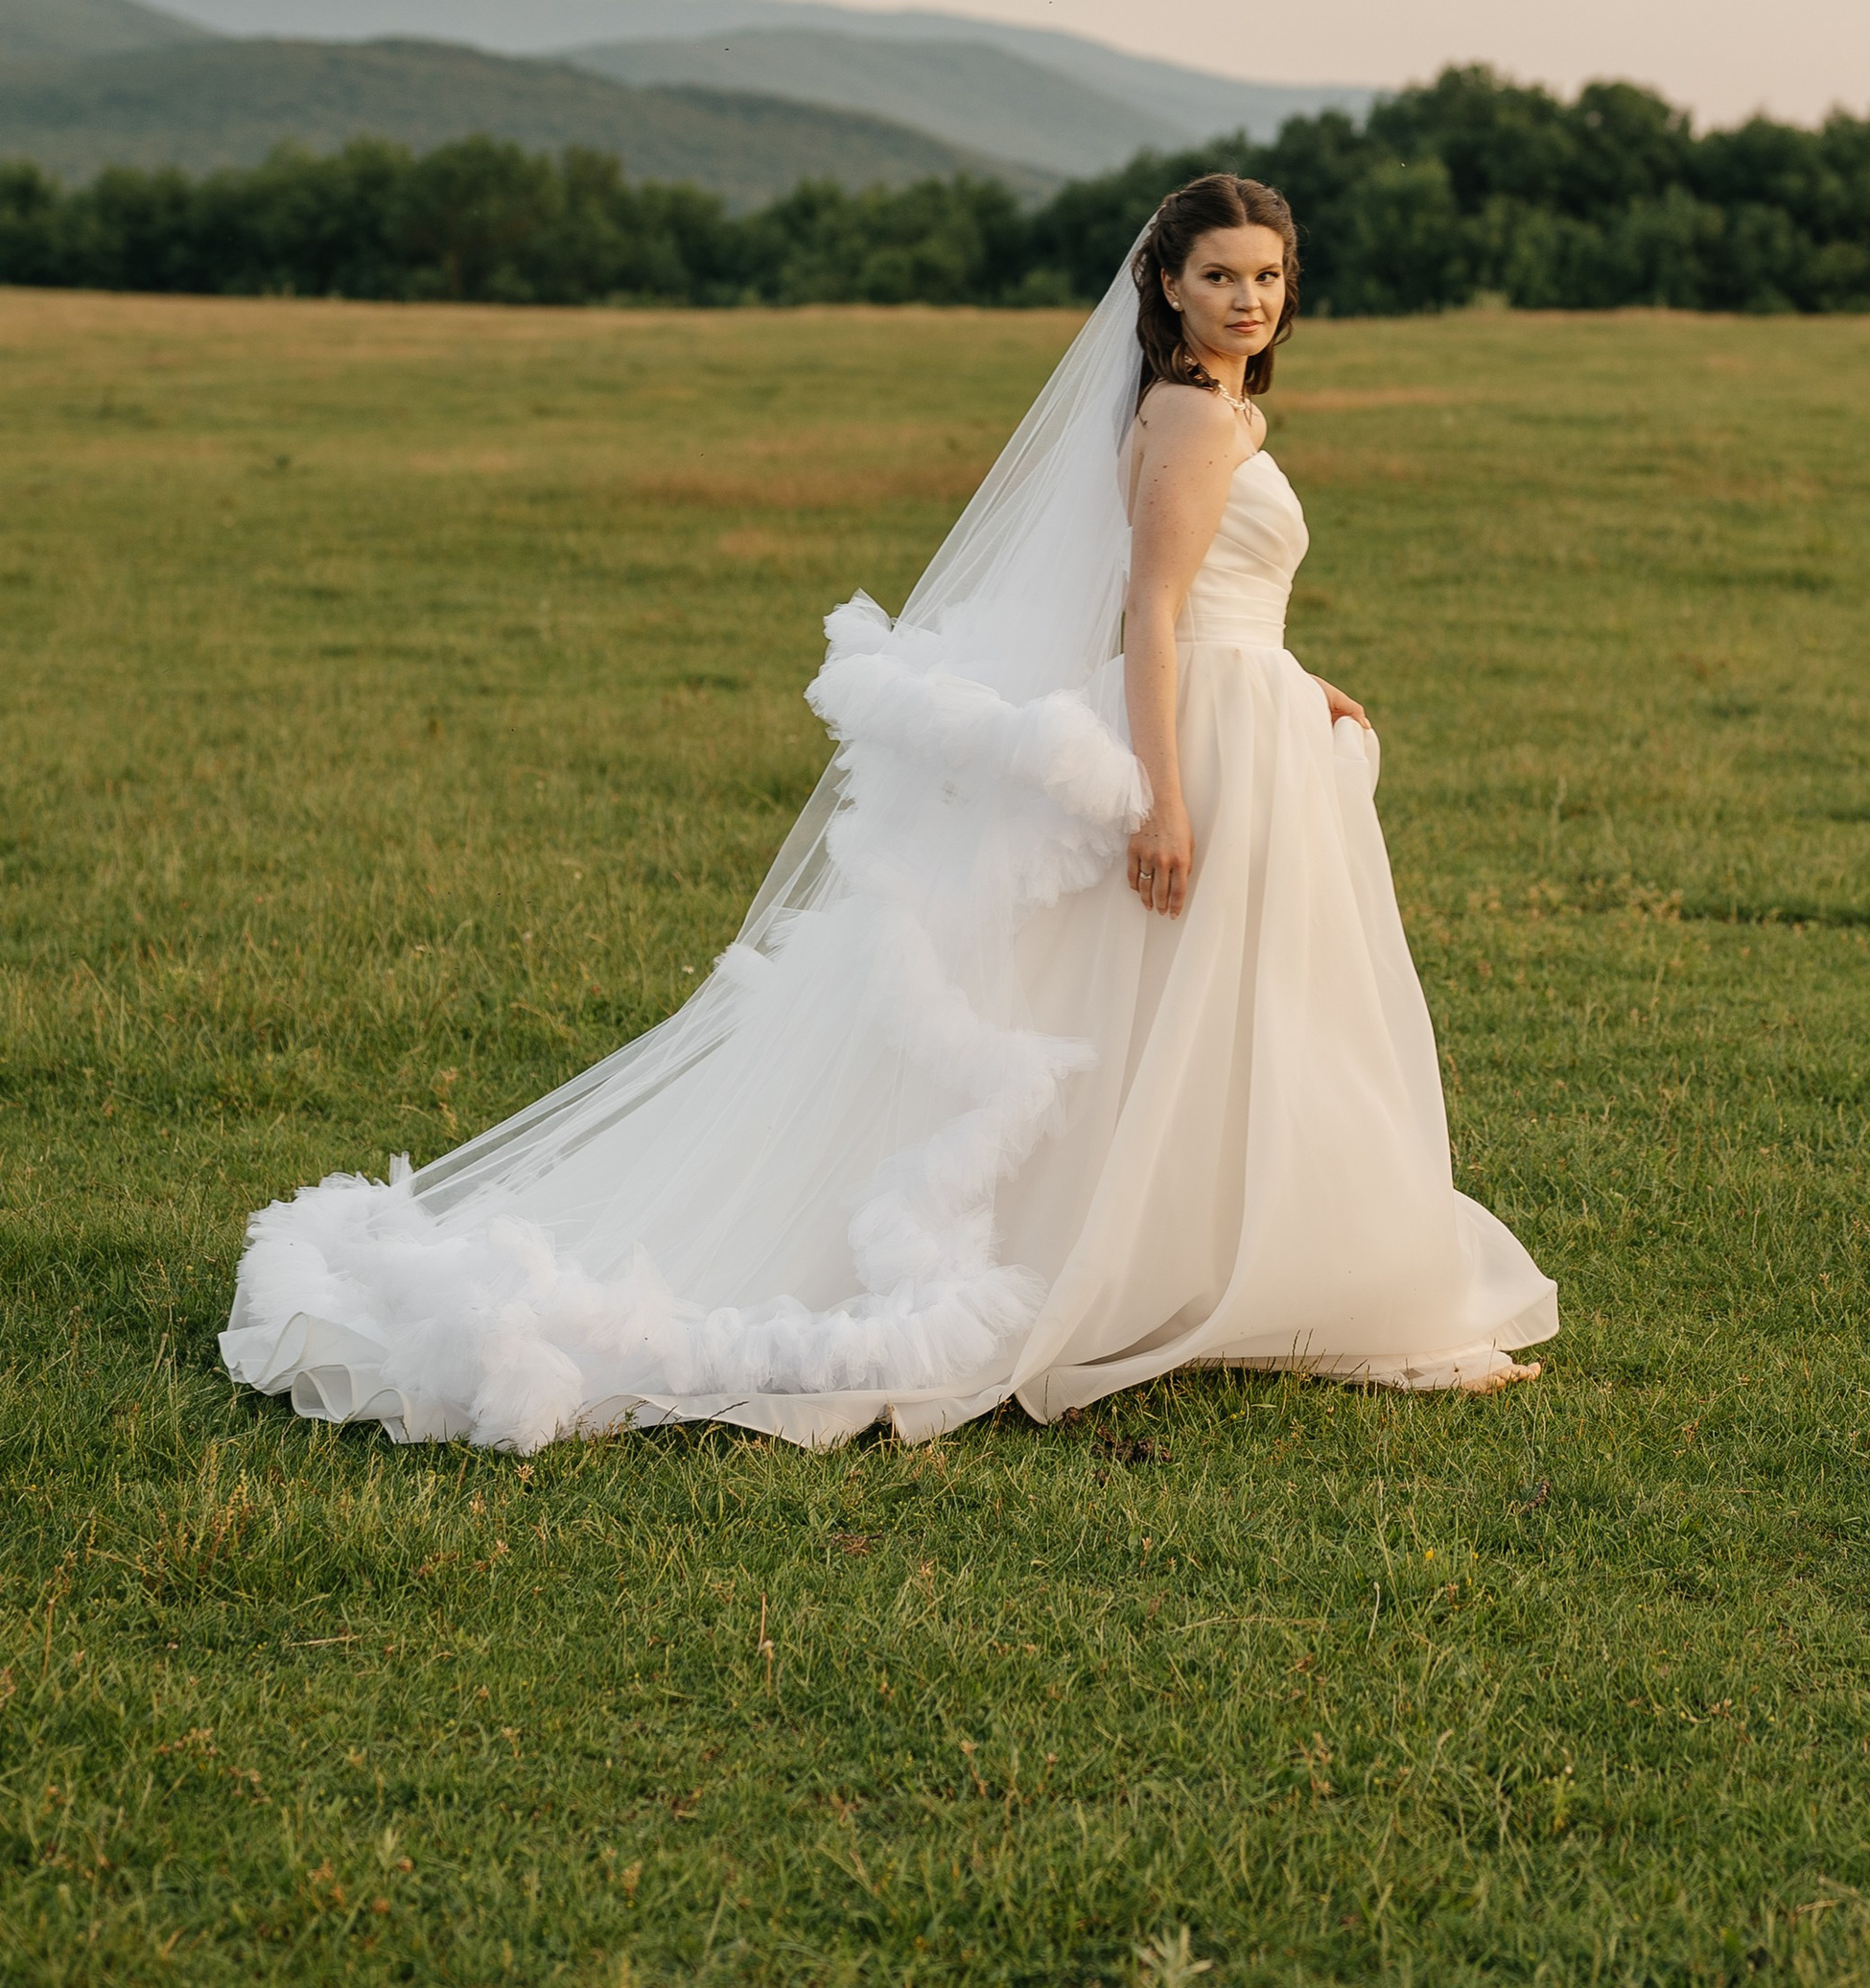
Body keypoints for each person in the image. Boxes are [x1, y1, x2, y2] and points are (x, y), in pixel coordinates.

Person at [221, 175, 1556, 1450]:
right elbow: (1150, 615)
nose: (1250, 298)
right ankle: (1255, 1279)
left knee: (1208, 1003)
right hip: (1195, 739)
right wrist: (1161, 798)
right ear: (1168, 281)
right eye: (1221, 275)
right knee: (1243, 1001)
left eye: (1268, 276)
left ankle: (1227, 1266)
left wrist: (1289, 674)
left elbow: (1198, 599)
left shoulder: (1187, 404)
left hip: (1237, 707)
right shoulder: (1198, 418)